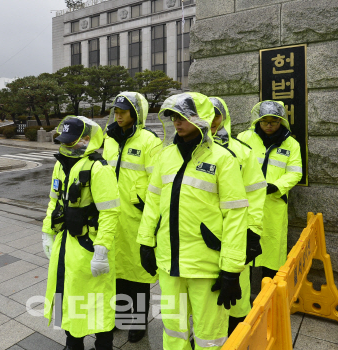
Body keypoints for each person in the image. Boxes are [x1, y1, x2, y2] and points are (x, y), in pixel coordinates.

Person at [137, 92, 249, 350]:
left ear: (202, 118)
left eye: (183, 116)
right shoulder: (165, 156)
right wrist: (145, 242)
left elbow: (235, 215)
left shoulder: (223, 159)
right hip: (169, 263)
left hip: (205, 265)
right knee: (174, 330)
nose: (177, 122)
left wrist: (232, 269)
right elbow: (153, 202)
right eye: (174, 117)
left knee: (209, 335)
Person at [42, 116, 121, 350]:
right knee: (66, 293)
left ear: (87, 139)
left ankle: (104, 344)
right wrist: (47, 231)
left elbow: (110, 212)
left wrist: (102, 249)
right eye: (65, 141)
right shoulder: (61, 164)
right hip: (65, 243)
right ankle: (73, 342)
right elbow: (53, 201)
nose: (67, 146)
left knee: (98, 299)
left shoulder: (98, 168)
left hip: (90, 244)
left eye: (73, 142)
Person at [103, 92, 161, 342]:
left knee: (137, 273)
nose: (118, 115)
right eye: (115, 111)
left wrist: (144, 206)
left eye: (123, 112)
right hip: (112, 216)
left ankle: (138, 321)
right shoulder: (109, 139)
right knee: (116, 269)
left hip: (136, 218)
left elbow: (157, 182)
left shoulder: (150, 141)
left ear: (135, 114)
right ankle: (121, 315)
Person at [209, 97, 266, 335]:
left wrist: (252, 231)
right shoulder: (186, 150)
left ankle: (237, 334)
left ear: (225, 117)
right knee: (205, 293)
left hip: (235, 233)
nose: (211, 121)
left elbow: (255, 192)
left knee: (235, 290)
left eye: (216, 115)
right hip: (200, 234)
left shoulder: (242, 152)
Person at [237, 101, 302, 279]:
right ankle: (243, 297)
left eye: (273, 121)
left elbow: (295, 172)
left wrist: (276, 186)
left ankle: (270, 298)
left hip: (273, 204)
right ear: (258, 120)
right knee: (243, 251)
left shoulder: (291, 145)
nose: (268, 125)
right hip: (246, 203)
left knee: (272, 250)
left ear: (281, 121)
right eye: (264, 121)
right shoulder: (244, 138)